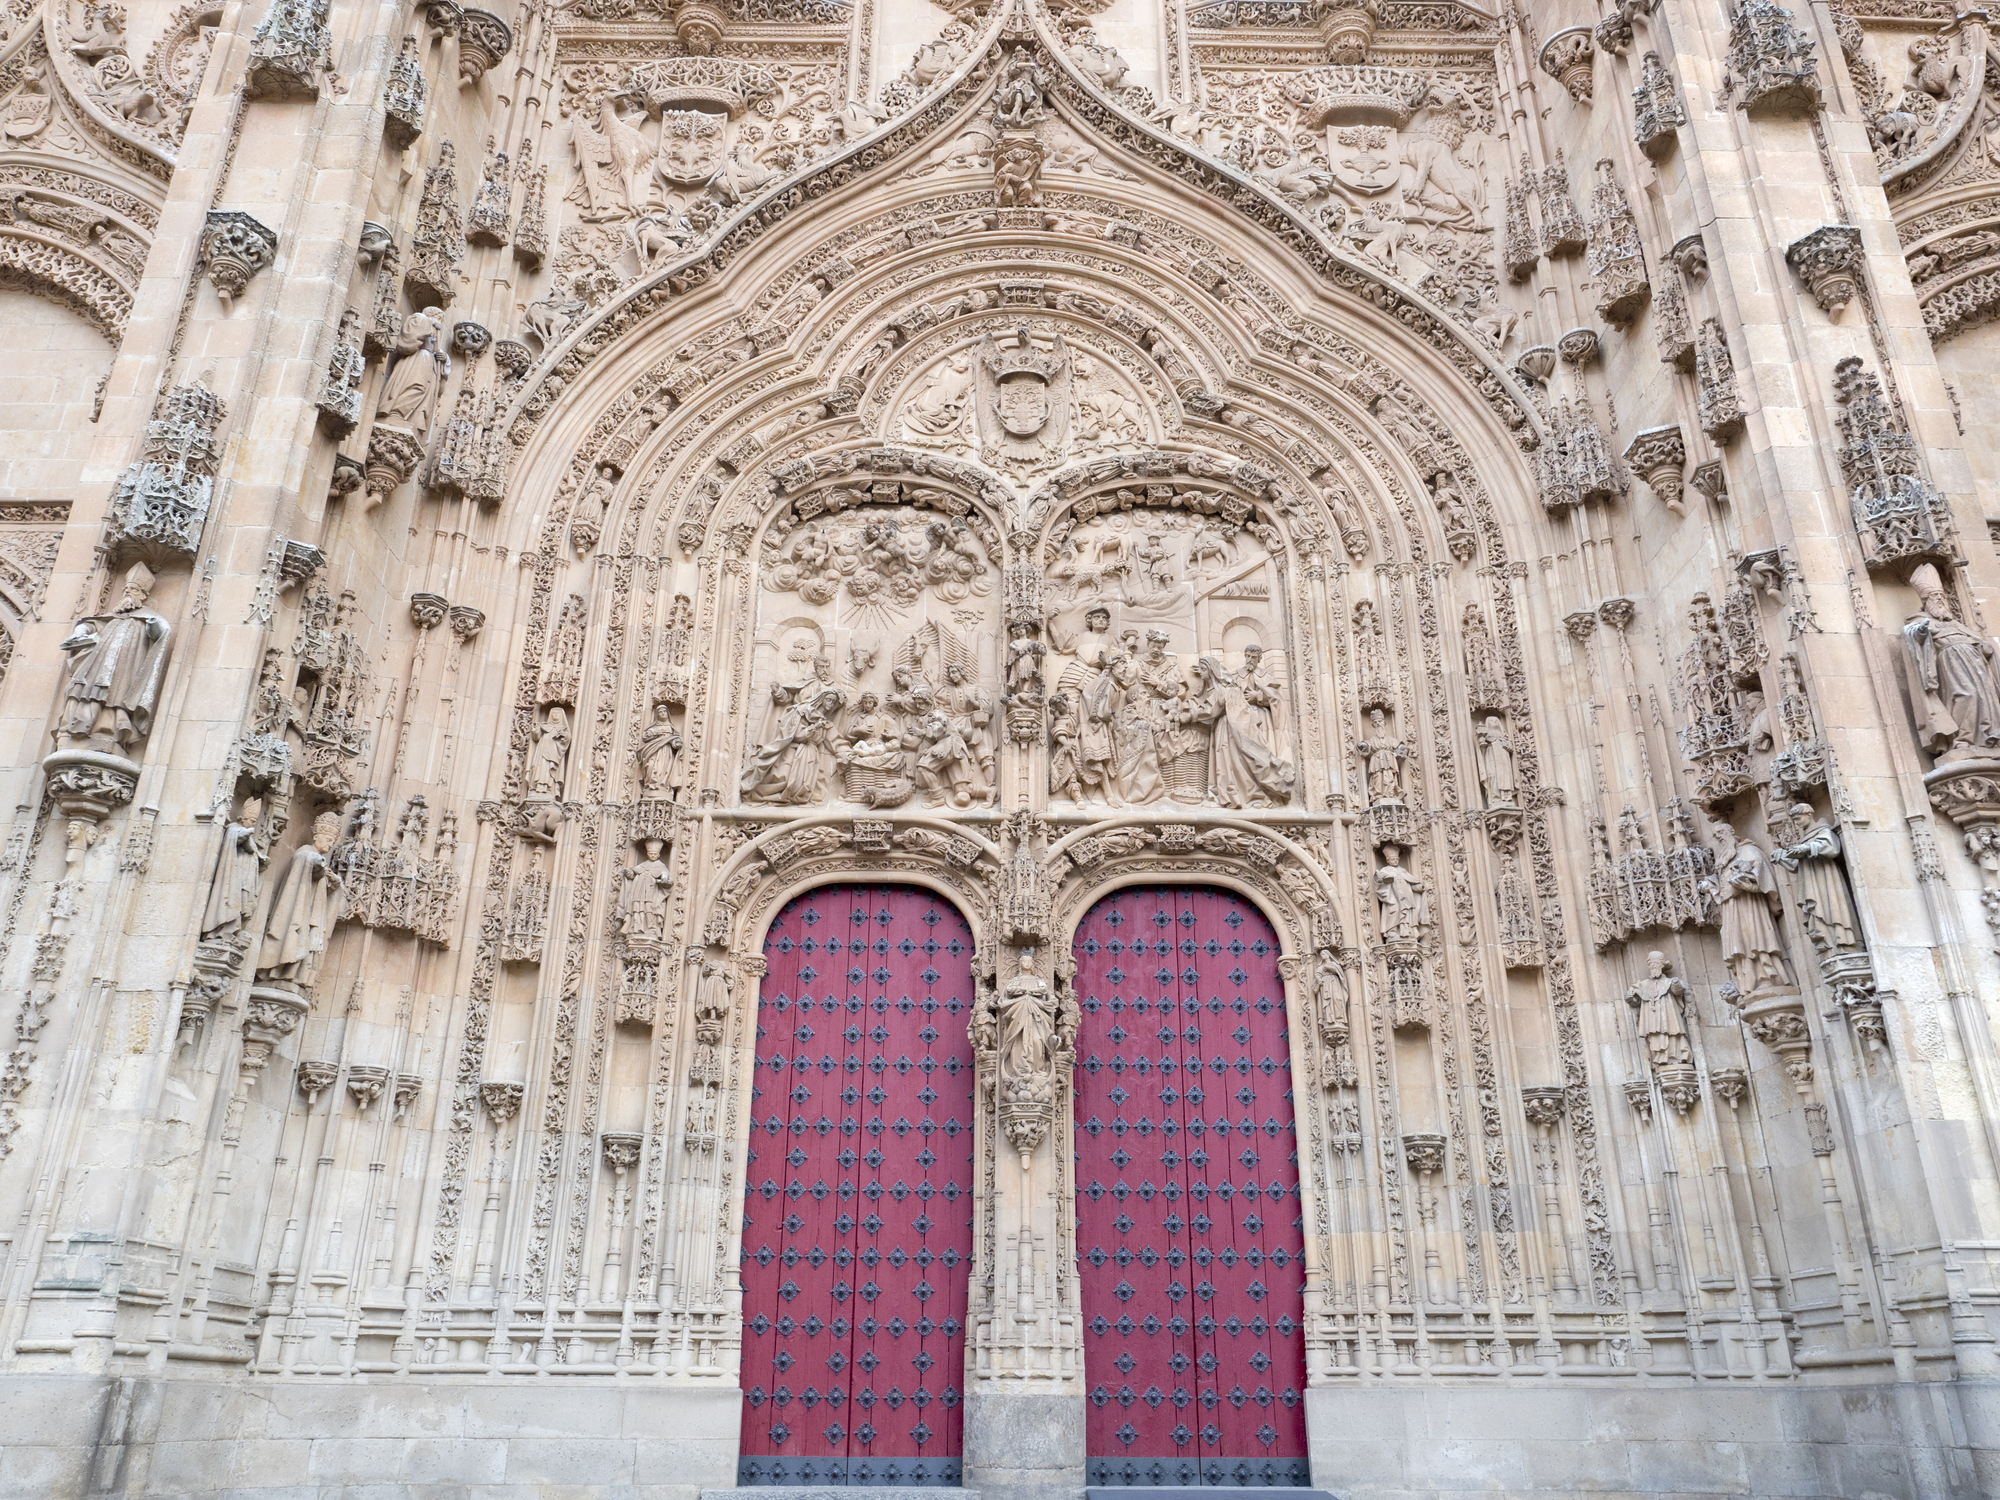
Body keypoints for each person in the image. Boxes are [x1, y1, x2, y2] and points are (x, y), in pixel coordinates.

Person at [57, 562, 171, 754]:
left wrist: (153, 623)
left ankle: (107, 730)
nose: (128, 593)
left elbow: (161, 631)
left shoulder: (147, 617)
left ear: (143, 595)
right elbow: (90, 625)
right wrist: (80, 632)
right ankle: (76, 727)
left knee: (115, 697)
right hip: (97, 663)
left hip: (125, 666)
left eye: (133, 589)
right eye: (126, 589)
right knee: (85, 690)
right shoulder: (112, 617)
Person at [256, 812, 347, 988]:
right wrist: (319, 865)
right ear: (316, 836)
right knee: (296, 936)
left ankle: (295, 975)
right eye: (327, 839)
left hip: (312, 910)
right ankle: (279, 972)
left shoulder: (318, 860)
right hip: (298, 909)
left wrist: (333, 881)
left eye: (332, 841)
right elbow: (306, 861)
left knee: (307, 941)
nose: (329, 844)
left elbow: (324, 882)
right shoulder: (305, 852)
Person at [1625, 950, 1692, 1071]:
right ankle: (1659, 1060)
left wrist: (1677, 985)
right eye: (1652, 963)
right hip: (1652, 1018)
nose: (1654, 965)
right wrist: (1631, 999)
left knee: (1673, 1034)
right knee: (1655, 1037)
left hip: (1669, 1015)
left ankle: (1677, 1056)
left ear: (1662, 965)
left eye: (1657, 962)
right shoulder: (1642, 985)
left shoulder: (1669, 982)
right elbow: (1637, 1004)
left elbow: (1678, 991)